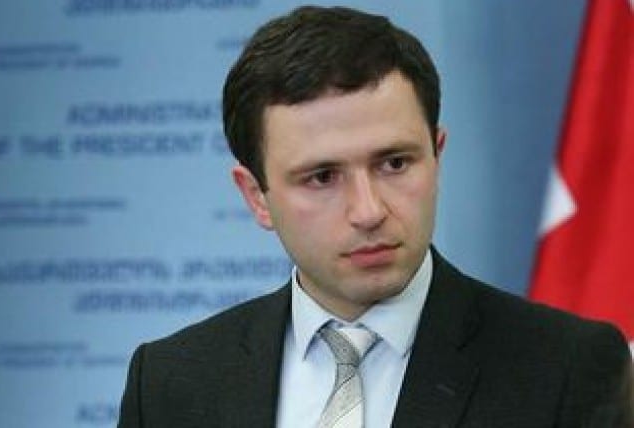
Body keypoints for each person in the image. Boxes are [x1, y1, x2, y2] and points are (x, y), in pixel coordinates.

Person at [117, 6, 633, 427]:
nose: (368, 211)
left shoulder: (567, 368)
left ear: (437, 157)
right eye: (322, 177)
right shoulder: (169, 383)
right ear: (256, 197)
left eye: (394, 164)